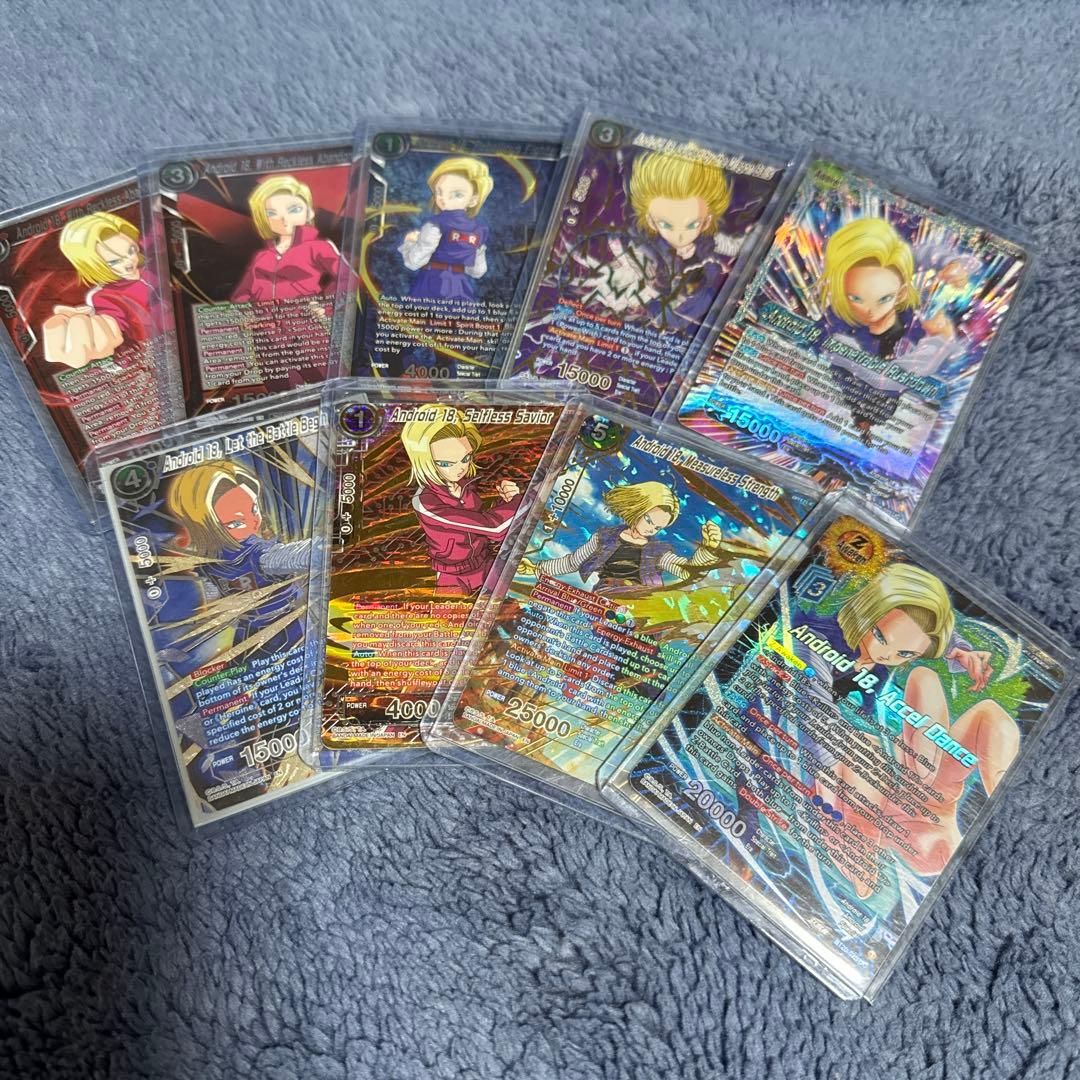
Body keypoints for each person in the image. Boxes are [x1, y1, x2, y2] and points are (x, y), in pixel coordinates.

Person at [786, 563, 1013, 898]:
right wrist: (832, 771)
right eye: (880, 636)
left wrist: (960, 652)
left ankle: (999, 804)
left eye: (903, 653)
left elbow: (924, 632)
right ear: (867, 611)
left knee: (929, 680)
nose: (886, 654)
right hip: (816, 751)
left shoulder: (900, 643)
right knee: (865, 745)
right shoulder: (815, 635)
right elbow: (814, 709)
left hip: (892, 782)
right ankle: (863, 845)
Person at [579, 150, 742, 331]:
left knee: (708, 283)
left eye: (692, 224)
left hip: (685, 304)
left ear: (706, 222)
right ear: (651, 221)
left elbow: (737, 248)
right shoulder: (647, 245)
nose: (679, 235)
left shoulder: (708, 243)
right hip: (655, 300)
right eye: (666, 224)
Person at [165, 461, 310, 652]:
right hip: (268, 633)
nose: (254, 522)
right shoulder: (246, 557)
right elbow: (213, 593)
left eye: (254, 509)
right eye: (236, 523)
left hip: (277, 629)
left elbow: (299, 554)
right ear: (206, 526)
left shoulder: (251, 555)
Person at [522, 481, 725, 593]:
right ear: (637, 510)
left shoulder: (658, 551)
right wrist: (537, 568)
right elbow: (572, 562)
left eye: (658, 527)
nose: (651, 529)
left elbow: (686, 571)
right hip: (606, 601)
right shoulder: (604, 537)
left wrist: (708, 549)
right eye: (648, 520)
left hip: (641, 605)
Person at [400, 406, 521, 594]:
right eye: (445, 463)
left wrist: (506, 501)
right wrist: (519, 502)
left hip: (486, 564)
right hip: (453, 576)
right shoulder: (426, 501)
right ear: (425, 460)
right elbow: (494, 528)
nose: (459, 469)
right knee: (449, 614)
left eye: (465, 458)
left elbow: (479, 524)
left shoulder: (465, 485)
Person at [44, 211, 160, 368]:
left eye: (131, 250)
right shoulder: (105, 296)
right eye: (115, 261)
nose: (129, 261)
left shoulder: (153, 267)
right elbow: (114, 324)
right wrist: (101, 338)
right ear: (96, 265)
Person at [230, 174, 346, 303]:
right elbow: (241, 295)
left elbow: (347, 279)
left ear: (310, 213)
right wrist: (248, 311)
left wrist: (325, 305)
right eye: (272, 213)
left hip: (301, 314)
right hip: (264, 315)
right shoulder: (262, 256)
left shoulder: (318, 248)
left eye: (294, 210)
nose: (283, 219)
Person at [398, 156, 493, 301]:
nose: (444, 199)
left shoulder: (434, 225)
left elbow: (413, 262)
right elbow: (477, 271)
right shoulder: (480, 230)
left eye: (457, 194)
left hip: (431, 286)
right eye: (439, 192)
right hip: (460, 290)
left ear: (473, 199)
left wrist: (409, 242)